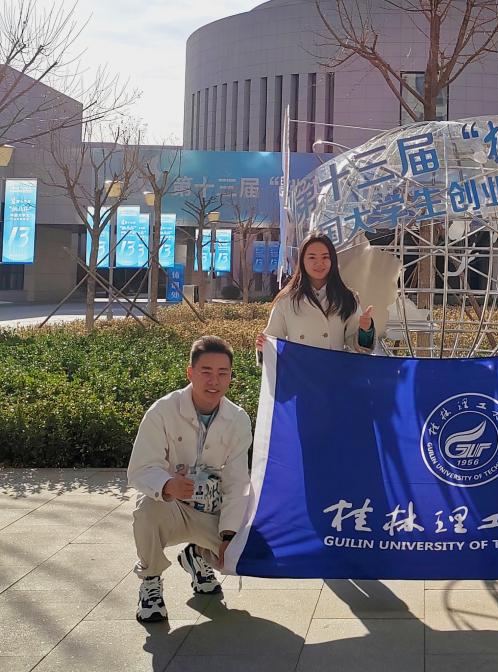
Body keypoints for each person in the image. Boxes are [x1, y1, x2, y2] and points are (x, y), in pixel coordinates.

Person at [128, 336, 253, 624]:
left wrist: (229, 536)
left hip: (212, 509)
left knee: (245, 551)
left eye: (222, 373)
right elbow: (140, 468)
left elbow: (237, 482)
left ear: (231, 377)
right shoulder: (162, 411)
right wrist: (167, 485)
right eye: (206, 371)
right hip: (172, 508)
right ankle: (150, 581)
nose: (214, 381)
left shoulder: (238, 419)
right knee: (147, 508)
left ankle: (197, 556)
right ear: (190, 373)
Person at [256, 232, 375, 356]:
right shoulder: (287, 300)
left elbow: (358, 348)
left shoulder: (347, 298)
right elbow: (273, 340)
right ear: (302, 261)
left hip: (334, 367)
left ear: (332, 260)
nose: (319, 263)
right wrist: (263, 347)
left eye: (325, 257)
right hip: (301, 368)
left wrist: (365, 331)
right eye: (312, 257)